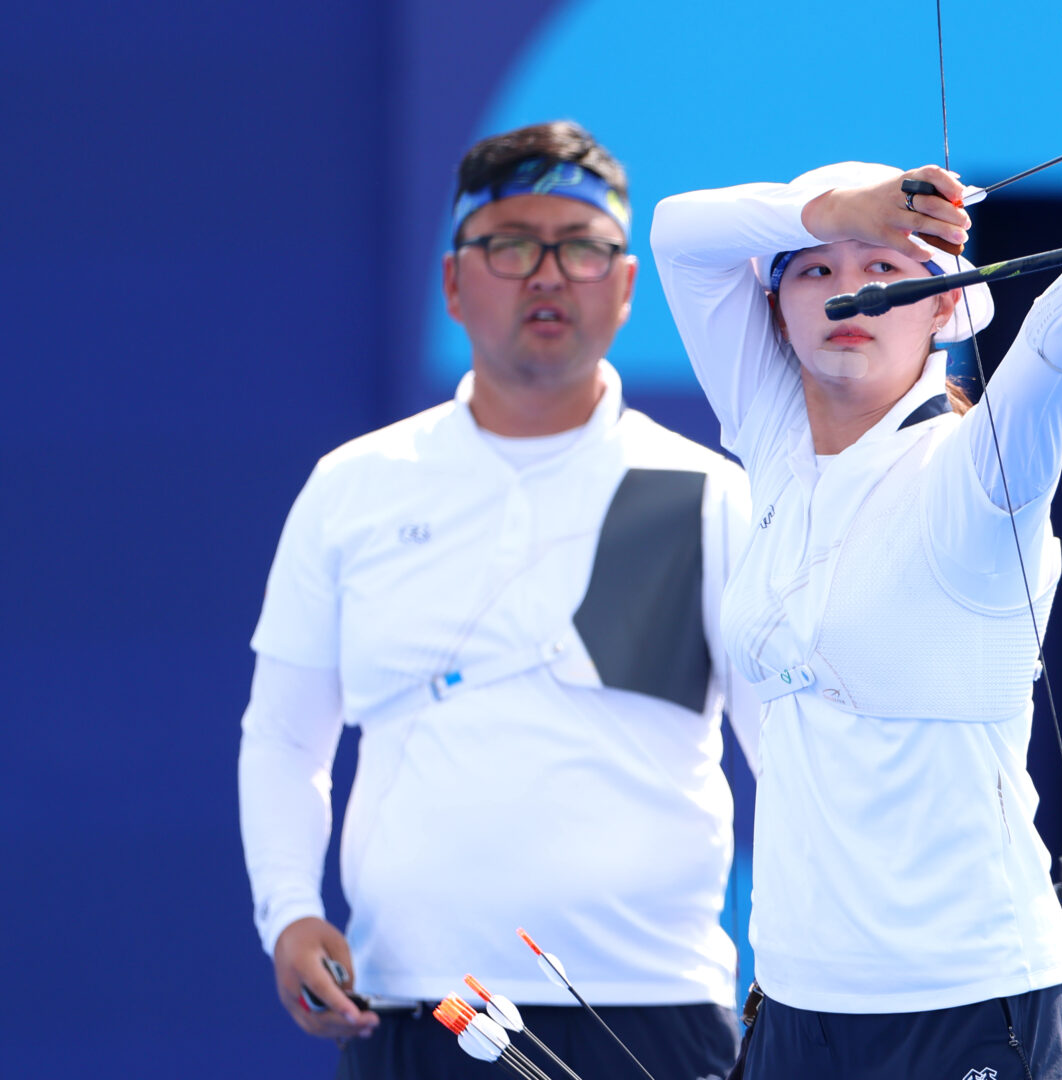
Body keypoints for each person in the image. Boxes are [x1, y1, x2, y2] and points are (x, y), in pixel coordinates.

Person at [648, 136, 1062, 1080]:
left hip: (970, 1002)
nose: (846, 291)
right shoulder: (772, 436)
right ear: (777, 309)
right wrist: (847, 208)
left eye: (886, 270)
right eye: (815, 271)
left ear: (947, 305)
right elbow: (678, 233)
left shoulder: (979, 471)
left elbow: (1051, 353)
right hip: (795, 1003)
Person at [239, 120, 754, 1080]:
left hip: (655, 1012)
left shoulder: (702, 492)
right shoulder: (356, 486)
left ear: (629, 284)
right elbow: (283, 738)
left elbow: (796, 764)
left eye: (583, 247)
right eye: (512, 244)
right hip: (420, 1008)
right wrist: (289, 911)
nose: (549, 274)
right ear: (452, 281)